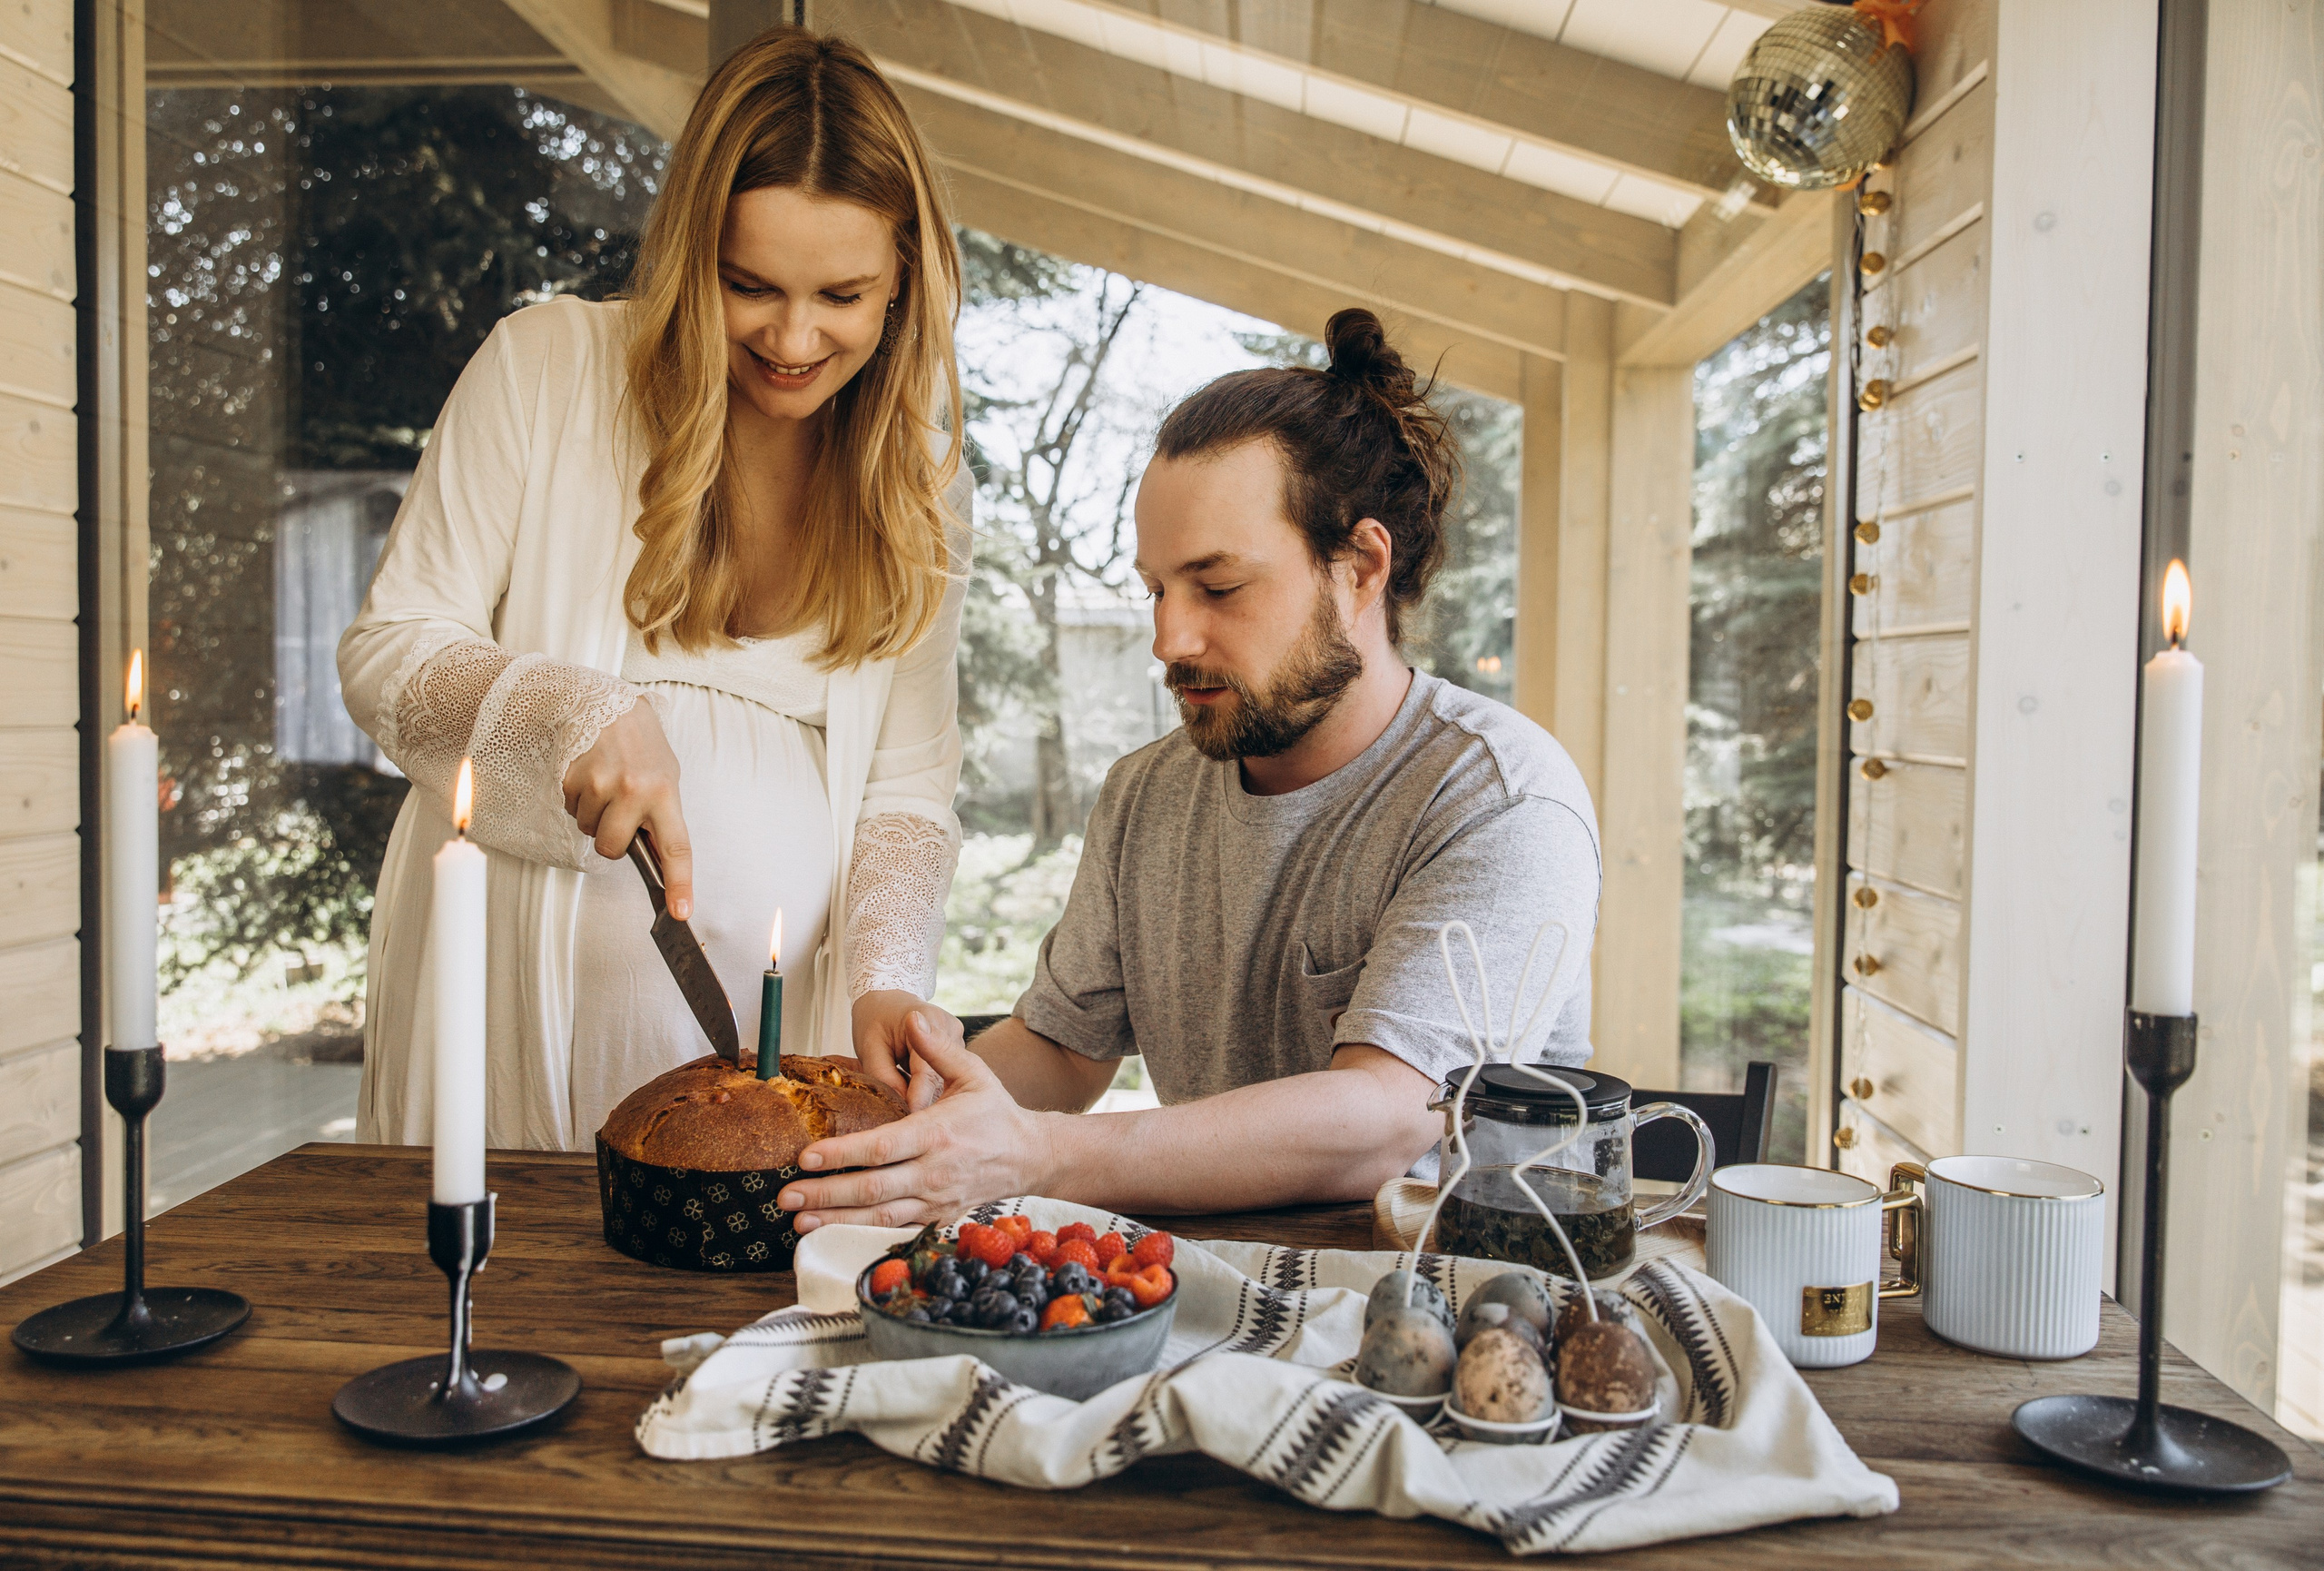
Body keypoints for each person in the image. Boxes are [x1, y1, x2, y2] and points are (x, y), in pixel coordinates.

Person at [776, 309, 1601, 1229]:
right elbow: (1061, 1050)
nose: (1169, 638)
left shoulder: (1499, 798)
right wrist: (880, 1120)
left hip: (1453, 1298)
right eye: (1156, 590)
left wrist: (1038, 1153)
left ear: (1361, 566)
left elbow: (1385, 1122)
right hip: (1199, 1291)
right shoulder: (1147, 792)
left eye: (1219, 587)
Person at [340, 31, 970, 1151]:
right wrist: (570, 714)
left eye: (842, 294)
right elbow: (389, 655)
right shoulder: (542, 368)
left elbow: (908, 788)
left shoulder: (921, 477)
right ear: (690, 255)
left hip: (769, 1059)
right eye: (748, 286)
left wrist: (885, 976)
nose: (792, 337)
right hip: (498, 1032)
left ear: (905, 280)